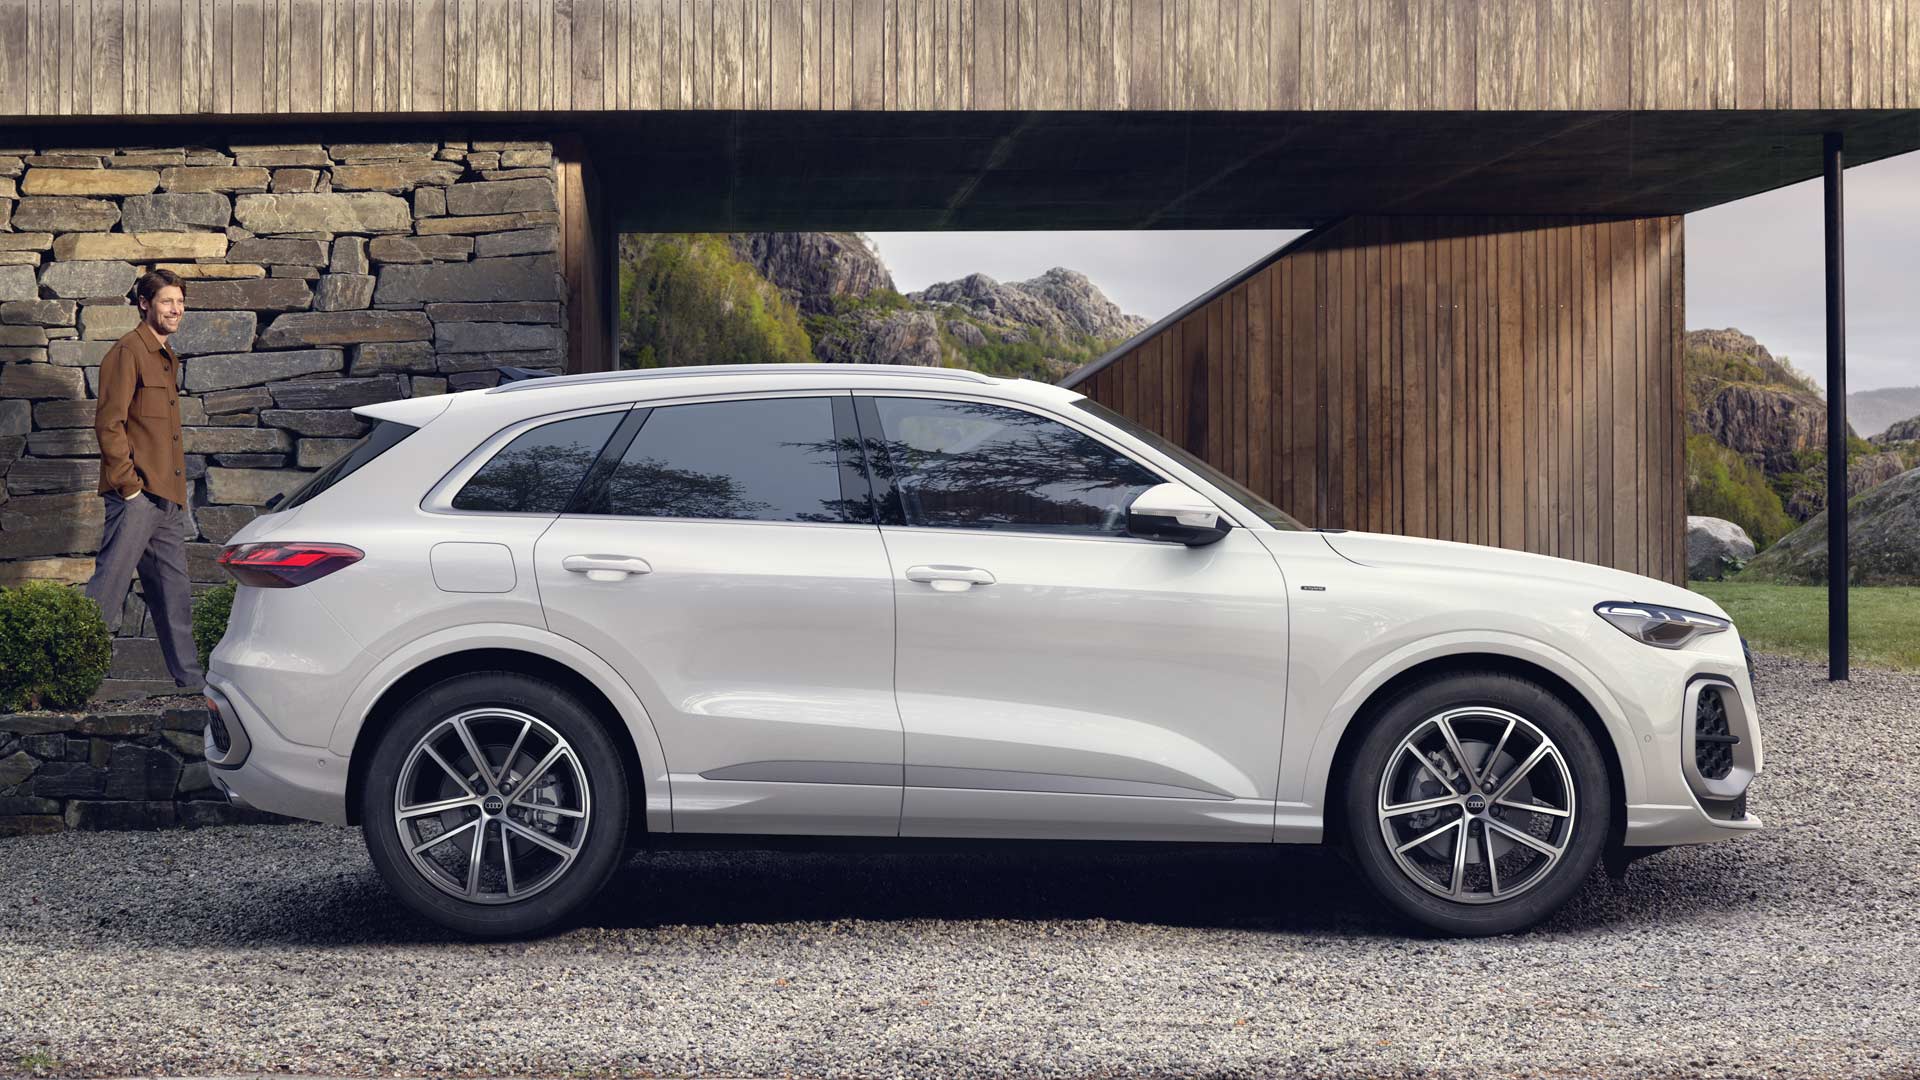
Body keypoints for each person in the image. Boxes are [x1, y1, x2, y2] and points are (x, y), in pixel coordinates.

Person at [85, 267, 206, 694]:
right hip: (137, 498)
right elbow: (109, 424)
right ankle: (68, 681)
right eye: (167, 302)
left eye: (180, 302)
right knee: (106, 596)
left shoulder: (163, 355)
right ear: (144, 304)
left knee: (175, 598)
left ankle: (192, 689)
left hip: (167, 500)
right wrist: (130, 487)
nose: (176, 310)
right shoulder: (127, 352)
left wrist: (166, 495)